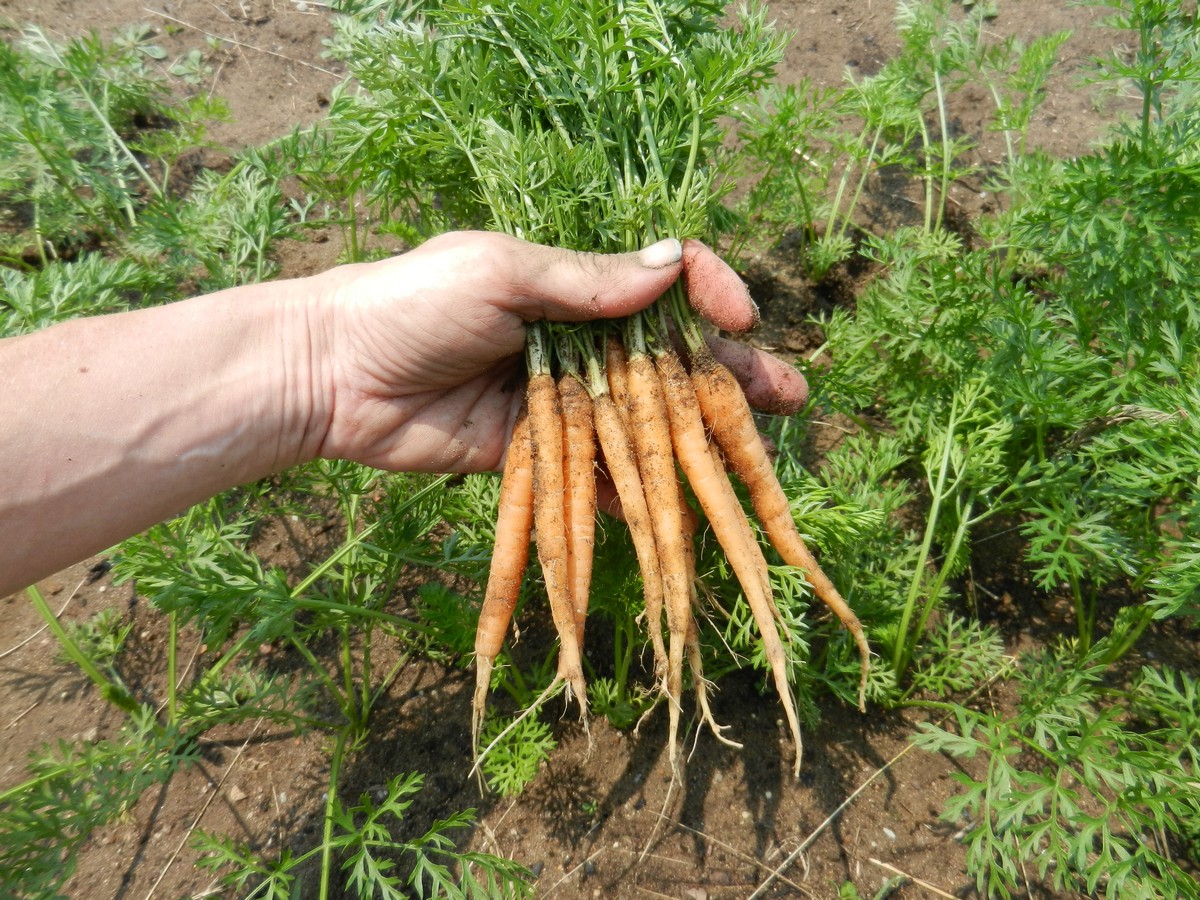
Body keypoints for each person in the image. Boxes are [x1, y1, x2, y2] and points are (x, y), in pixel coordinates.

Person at [0, 231, 806, 597]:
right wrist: (321, 359)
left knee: (680, 502)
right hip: (557, 384)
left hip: (611, 377)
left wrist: (320, 365)